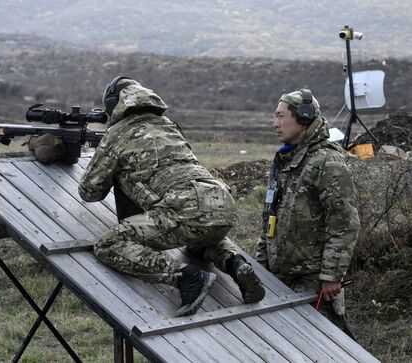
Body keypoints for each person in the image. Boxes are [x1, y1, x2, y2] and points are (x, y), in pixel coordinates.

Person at [78, 76, 265, 317]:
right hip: (221, 200)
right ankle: (236, 264)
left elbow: (89, 192)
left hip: (183, 206)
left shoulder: (117, 133)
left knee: (108, 244)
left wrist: (111, 164)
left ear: (115, 105)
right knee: (200, 236)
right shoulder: (168, 125)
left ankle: (186, 277)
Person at [256, 89, 360, 336]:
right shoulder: (285, 161)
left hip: (313, 283)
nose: (275, 124)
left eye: (281, 116)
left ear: (303, 118)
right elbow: (270, 216)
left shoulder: (327, 162)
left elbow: (345, 223)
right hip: (280, 278)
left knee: (328, 346)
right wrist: (261, 264)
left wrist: (331, 275)